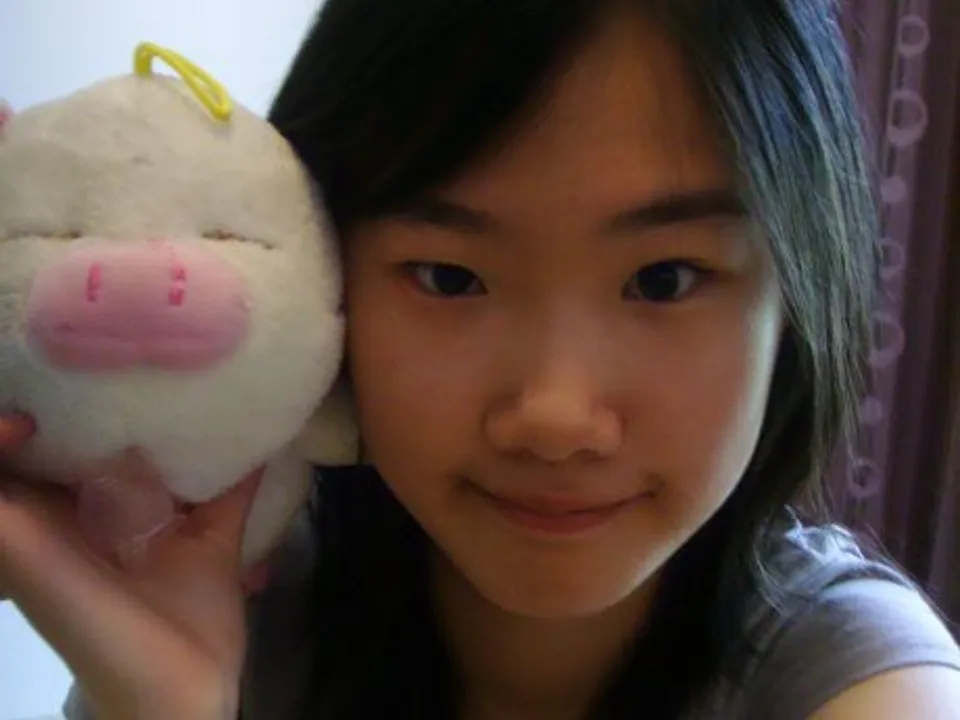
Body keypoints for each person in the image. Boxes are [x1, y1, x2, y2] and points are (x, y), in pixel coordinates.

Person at [2, 0, 959, 718]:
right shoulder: (231, 615)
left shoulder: (856, 677)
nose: (555, 414)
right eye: (450, 278)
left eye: (664, 279)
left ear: (797, 295)